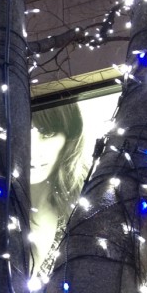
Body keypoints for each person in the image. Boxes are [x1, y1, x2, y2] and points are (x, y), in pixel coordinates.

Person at [30, 102, 87, 278]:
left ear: (69, 135)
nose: (32, 151)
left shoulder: (90, 203)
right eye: (19, 134)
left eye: (47, 134)